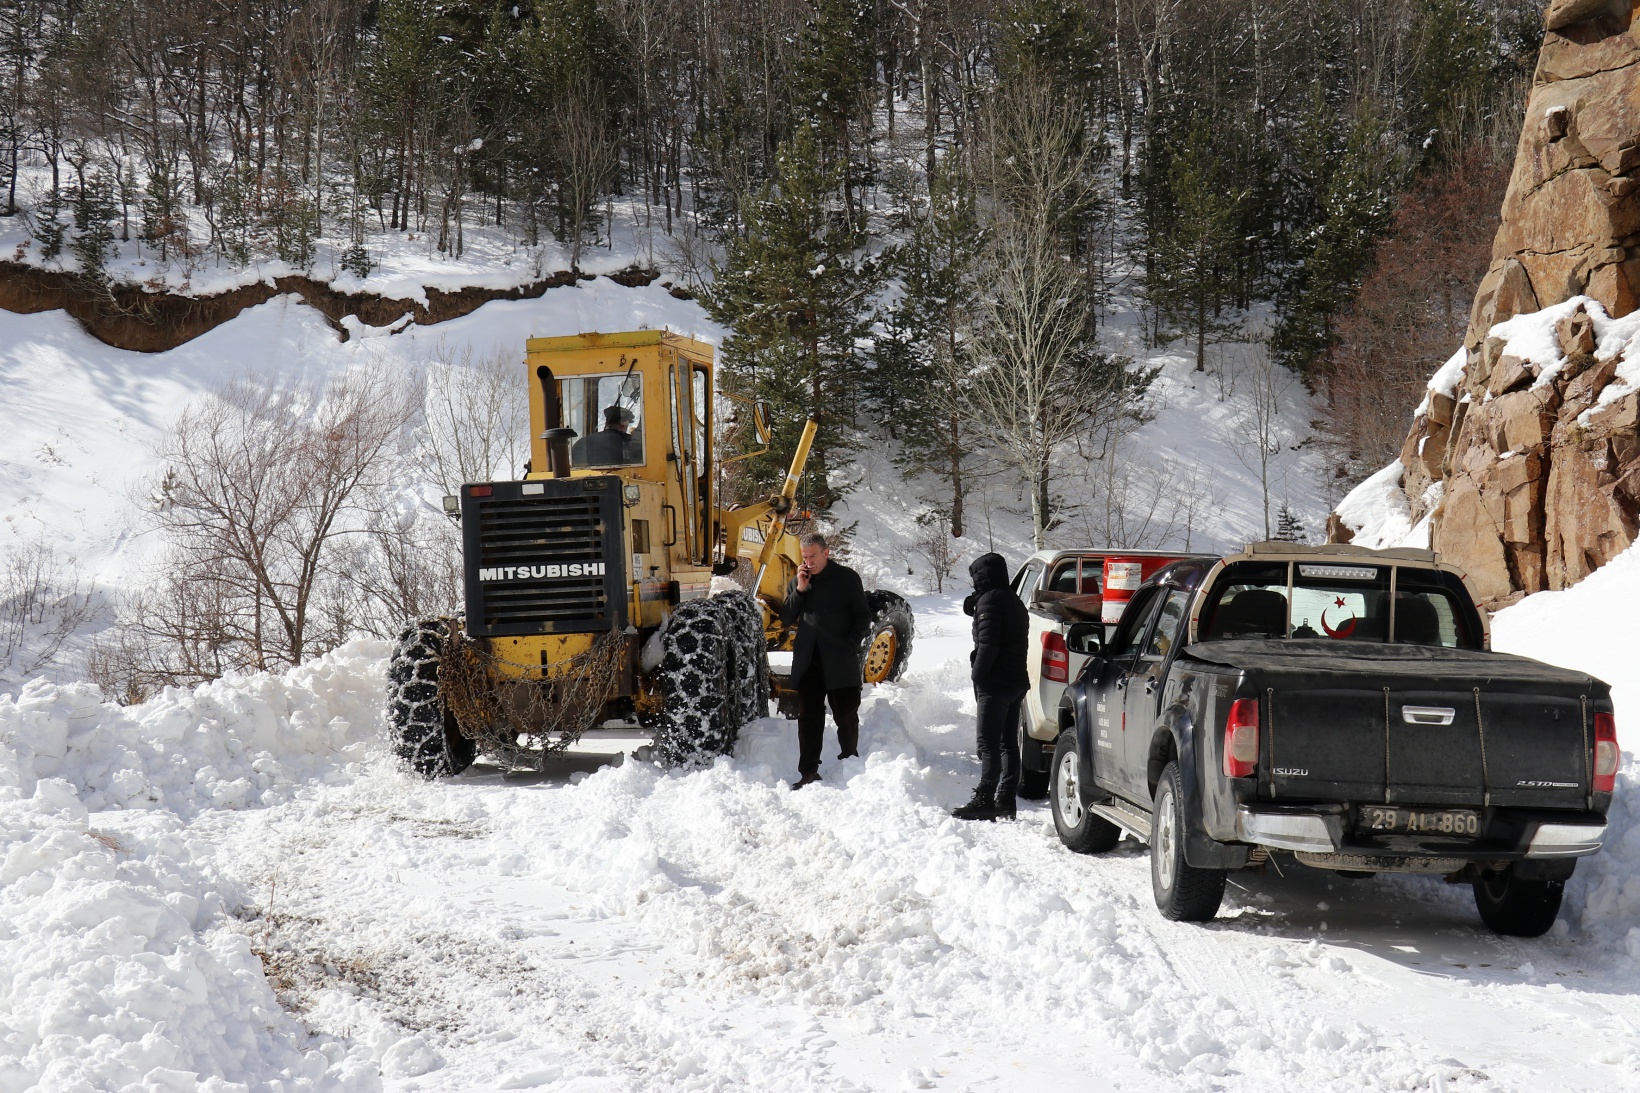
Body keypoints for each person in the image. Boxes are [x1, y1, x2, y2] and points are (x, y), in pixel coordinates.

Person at [778, 531, 870, 789]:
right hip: (809, 661)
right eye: (804, 557)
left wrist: (850, 645)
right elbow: (786, 617)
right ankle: (808, 771)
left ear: (826, 553)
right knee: (809, 718)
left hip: (840, 659)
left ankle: (849, 762)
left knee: (846, 715)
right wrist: (799, 589)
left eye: (813, 556)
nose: (808, 562)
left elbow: (862, 616)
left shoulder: (847, 578)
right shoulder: (799, 581)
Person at [954, 552, 1029, 821]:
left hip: (995, 683)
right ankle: (1006, 799)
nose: (975, 584)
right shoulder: (1013, 600)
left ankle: (985, 798)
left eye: (976, 579)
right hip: (1016, 681)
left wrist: (977, 676)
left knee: (988, 743)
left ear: (983, 577)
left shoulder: (990, 601)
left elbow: (988, 645)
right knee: (1008, 742)